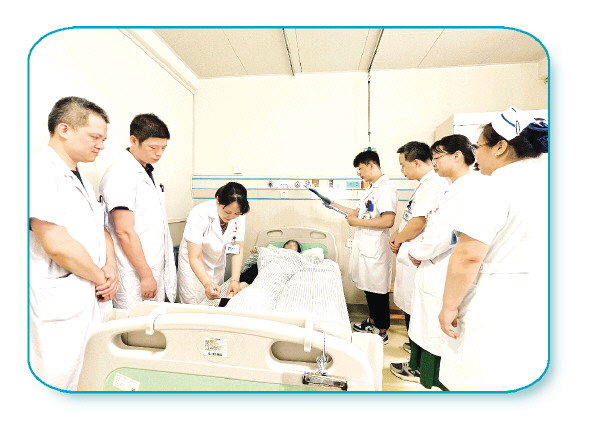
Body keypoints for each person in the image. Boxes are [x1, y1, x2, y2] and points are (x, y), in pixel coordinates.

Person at [438, 107, 548, 391]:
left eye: (478, 147)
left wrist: (449, 306)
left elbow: (469, 255)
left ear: (500, 147)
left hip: (495, 302)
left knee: (481, 376)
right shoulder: (546, 181)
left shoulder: (493, 186)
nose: (476, 155)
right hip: (537, 297)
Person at [29, 96, 118, 390]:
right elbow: (57, 244)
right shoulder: (38, 172)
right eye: (95, 137)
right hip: (61, 298)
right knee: (58, 377)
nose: (101, 146)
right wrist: (101, 278)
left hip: (89, 292)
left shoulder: (80, 177)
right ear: (64, 129)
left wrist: (111, 268)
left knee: (88, 371)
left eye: (103, 139)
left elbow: (100, 229)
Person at [389, 135, 483, 389]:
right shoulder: (454, 187)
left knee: (434, 333)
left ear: (457, 156)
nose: (434, 162)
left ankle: (429, 376)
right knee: (427, 328)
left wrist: (417, 252)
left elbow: (439, 235)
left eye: (437, 157)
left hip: (439, 267)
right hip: (434, 264)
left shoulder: (462, 190)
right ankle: (422, 368)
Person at [100, 114, 176, 309]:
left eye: (163, 148)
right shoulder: (121, 174)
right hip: (134, 272)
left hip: (153, 263)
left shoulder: (148, 170)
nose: (159, 153)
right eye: (153, 147)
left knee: (152, 319)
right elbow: (123, 231)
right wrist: (146, 275)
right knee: (134, 321)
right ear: (134, 140)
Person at [328, 150, 397, 345]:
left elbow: (388, 220)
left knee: (377, 290)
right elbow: (357, 212)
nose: (359, 174)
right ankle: (372, 322)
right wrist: (333, 204)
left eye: (360, 169)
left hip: (376, 247)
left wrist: (357, 222)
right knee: (369, 288)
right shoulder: (371, 188)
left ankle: (381, 330)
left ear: (371, 165)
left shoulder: (386, 188)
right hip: (366, 246)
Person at [389, 142, 449, 360]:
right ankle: (414, 351)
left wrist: (398, 240)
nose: (402, 170)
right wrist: (398, 234)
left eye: (403, 165)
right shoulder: (425, 184)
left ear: (415, 162)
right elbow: (411, 217)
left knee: (416, 310)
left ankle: (416, 362)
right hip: (412, 251)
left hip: (418, 254)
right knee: (411, 307)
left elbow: (419, 222)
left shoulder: (433, 184)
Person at [177, 182, 250, 304]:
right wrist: (206, 283)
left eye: (236, 213)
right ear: (218, 201)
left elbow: (237, 249)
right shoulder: (199, 213)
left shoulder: (239, 216)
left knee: (213, 303)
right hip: (194, 268)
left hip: (216, 264)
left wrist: (235, 280)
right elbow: (195, 257)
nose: (231, 217)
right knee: (192, 305)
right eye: (227, 212)